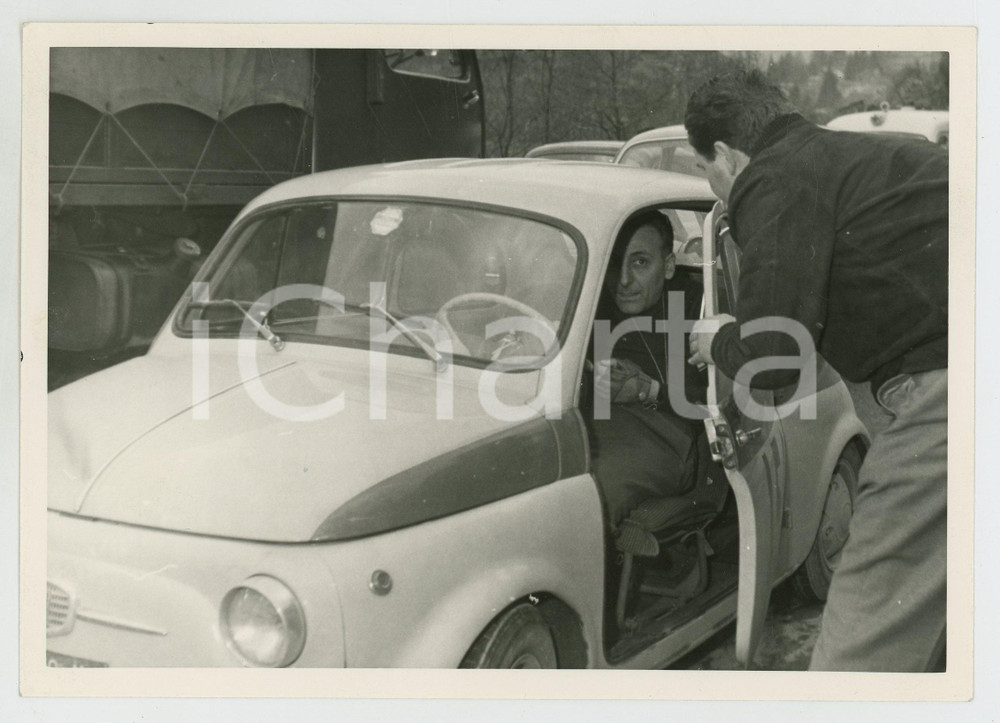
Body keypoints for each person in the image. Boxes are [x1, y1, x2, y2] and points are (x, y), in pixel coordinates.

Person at [684, 69, 948, 672]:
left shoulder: (770, 179)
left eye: (707, 170)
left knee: (859, 649)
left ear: (724, 153)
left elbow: (773, 359)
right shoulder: (879, 156)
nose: (717, 187)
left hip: (942, 397)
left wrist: (719, 338)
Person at [588, 211, 706, 525]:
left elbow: (708, 411)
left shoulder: (697, 307)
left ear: (667, 266)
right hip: (593, 423)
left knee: (589, 501)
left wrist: (645, 392)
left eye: (640, 263)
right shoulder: (594, 302)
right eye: (616, 263)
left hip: (669, 434)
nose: (624, 280)